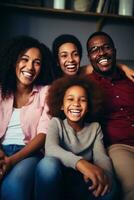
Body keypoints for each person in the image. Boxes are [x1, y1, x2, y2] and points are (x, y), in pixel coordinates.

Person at [35, 75, 118, 200]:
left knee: (112, 187)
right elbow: (51, 149)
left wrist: (106, 176)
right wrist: (81, 163)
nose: (76, 104)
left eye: (82, 100)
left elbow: (101, 157)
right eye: (70, 99)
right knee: (47, 164)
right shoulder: (56, 123)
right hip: (60, 179)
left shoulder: (95, 127)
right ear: (61, 105)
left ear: (89, 106)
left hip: (84, 182)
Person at [0, 35, 54, 200]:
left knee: (15, 186)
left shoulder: (46, 92)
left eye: (36, 62)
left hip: (28, 154)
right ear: (14, 61)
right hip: (1, 151)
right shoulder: (1, 90)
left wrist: (12, 160)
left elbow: (43, 135)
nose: (30, 67)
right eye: (25, 59)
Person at [86, 31, 134, 200]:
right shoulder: (86, 86)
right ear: (90, 57)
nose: (101, 53)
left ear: (114, 51)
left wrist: (123, 67)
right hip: (119, 147)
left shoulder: (130, 78)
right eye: (95, 50)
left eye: (106, 47)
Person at [52, 34, 134, 81]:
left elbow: (104, 62)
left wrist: (125, 68)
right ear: (57, 61)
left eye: (75, 54)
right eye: (64, 55)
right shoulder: (52, 77)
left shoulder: (84, 72)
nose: (71, 59)